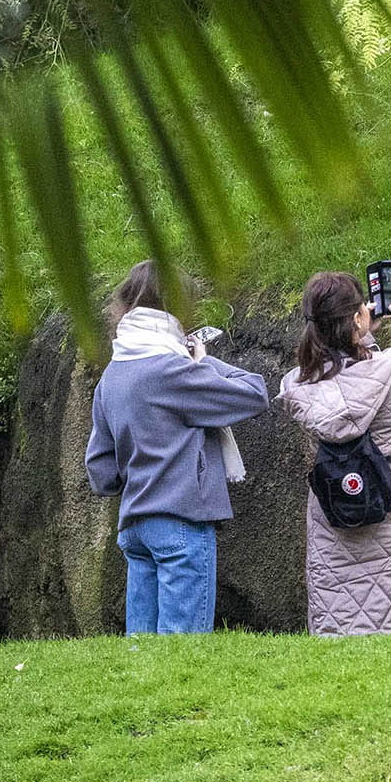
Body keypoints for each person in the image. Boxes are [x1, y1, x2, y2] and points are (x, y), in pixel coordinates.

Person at [85, 261, 269, 635]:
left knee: (143, 654)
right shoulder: (174, 370)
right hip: (181, 524)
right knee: (180, 652)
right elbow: (254, 393)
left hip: (135, 527)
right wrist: (204, 362)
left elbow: (101, 473)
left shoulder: (112, 376)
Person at [276, 271, 391, 636]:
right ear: (357, 317)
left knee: (342, 620)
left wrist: (360, 336)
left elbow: (344, 381)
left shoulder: (295, 387)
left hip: (335, 515)